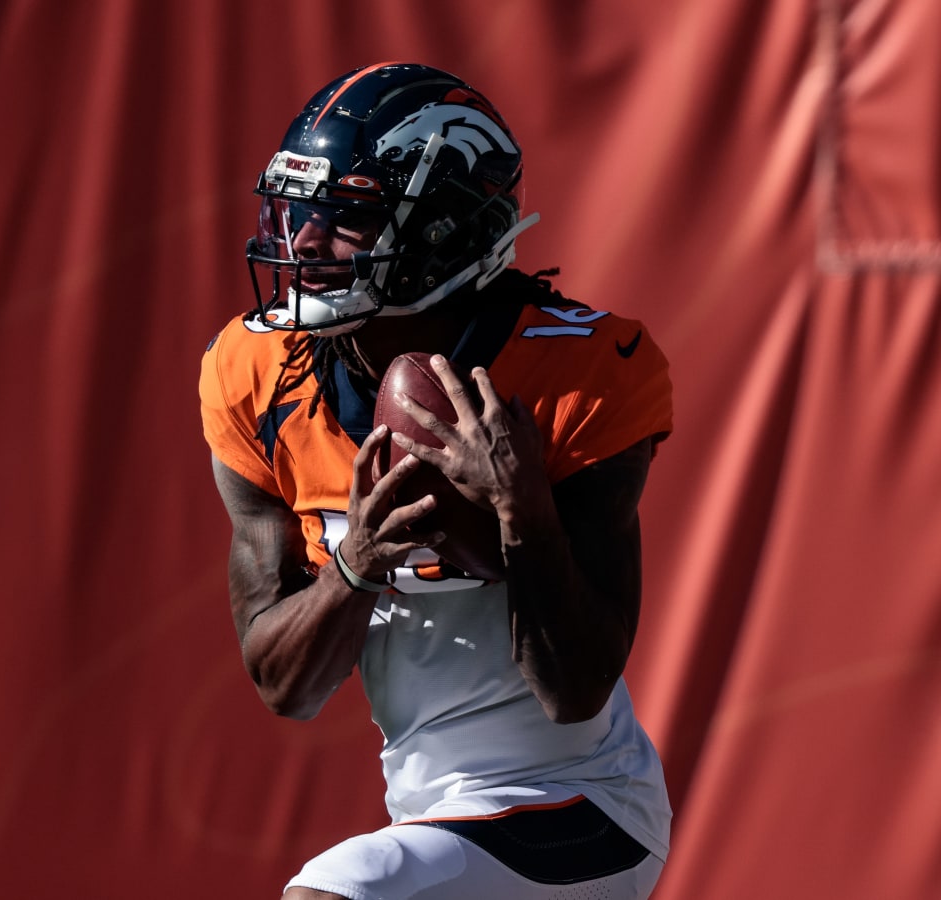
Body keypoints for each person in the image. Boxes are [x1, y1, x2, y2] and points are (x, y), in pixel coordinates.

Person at [199, 61, 674, 900]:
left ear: (446, 229)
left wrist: (522, 511)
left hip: (584, 807)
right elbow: (285, 687)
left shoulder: (579, 375)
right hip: (428, 812)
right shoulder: (257, 374)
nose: (302, 246)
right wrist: (356, 566)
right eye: (299, 214)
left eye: (342, 222)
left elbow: (574, 689)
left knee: (335, 893)